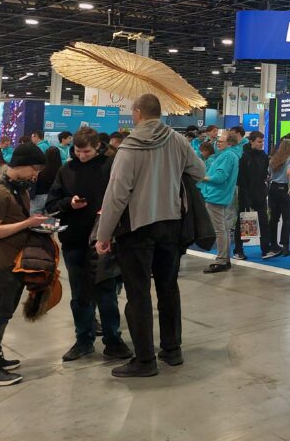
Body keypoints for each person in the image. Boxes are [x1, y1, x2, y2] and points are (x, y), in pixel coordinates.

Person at [95, 93, 206, 378]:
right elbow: (200, 170)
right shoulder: (178, 141)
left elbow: (117, 194)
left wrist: (103, 235)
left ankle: (144, 361)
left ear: (137, 113)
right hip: (171, 225)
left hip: (137, 229)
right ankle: (172, 350)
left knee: (138, 294)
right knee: (169, 288)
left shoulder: (129, 147)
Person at [45, 127, 132, 362]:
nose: (82, 156)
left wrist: (110, 214)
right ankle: (83, 340)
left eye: (87, 152)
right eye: (78, 151)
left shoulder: (111, 167)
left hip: (104, 240)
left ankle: (113, 340)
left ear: (98, 148)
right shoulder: (66, 170)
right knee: (80, 296)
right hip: (73, 241)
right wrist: (68, 203)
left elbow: (125, 197)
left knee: (107, 293)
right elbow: (51, 204)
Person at [0, 142, 48, 386]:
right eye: (34, 168)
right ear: (21, 164)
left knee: (4, 313)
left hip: (14, 261)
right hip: (0, 263)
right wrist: (27, 224)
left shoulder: (18, 189)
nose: (35, 174)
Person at [198, 130, 241, 273]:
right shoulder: (230, 155)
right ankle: (224, 259)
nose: (218, 143)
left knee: (220, 230)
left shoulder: (227, 155)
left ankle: (222, 260)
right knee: (223, 229)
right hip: (220, 195)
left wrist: (200, 177)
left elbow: (219, 178)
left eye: (221, 141)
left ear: (229, 143)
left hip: (216, 196)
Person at [233, 131, 271, 261]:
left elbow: (264, 173)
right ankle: (238, 250)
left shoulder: (263, 156)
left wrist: (266, 179)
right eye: (259, 142)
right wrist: (245, 197)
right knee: (243, 223)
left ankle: (266, 250)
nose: (261, 144)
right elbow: (241, 178)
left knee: (264, 222)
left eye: (262, 141)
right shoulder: (243, 156)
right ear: (251, 141)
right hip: (246, 194)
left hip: (260, 193)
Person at [262, 139, 290, 259]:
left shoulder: (273, 159)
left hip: (273, 189)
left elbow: (268, 175)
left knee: (274, 219)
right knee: (287, 219)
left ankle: (273, 244)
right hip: (285, 189)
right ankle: (285, 246)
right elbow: (289, 172)